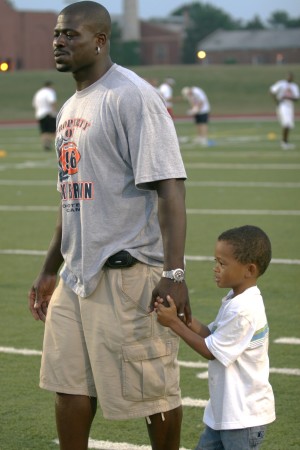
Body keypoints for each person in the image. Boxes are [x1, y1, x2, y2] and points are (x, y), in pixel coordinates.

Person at [28, 2, 191, 450]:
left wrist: (174, 273)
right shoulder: (69, 107)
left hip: (126, 272)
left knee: (153, 388)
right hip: (75, 275)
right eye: (57, 35)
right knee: (69, 385)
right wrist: (48, 269)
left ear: (100, 40)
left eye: (71, 35)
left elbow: (171, 189)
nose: (59, 42)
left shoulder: (132, 96)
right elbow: (71, 196)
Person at [155, 225, 276, 450]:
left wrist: (173, 323)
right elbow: (211, 335)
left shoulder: (244, 310)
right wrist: (184, 318)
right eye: (215, 262)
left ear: (249, 270)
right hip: (225, 414)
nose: (216, 269)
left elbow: (211, 351)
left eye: (222, 263)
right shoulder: (235, 299)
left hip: (243, 418)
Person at [270, 72, 299, 150]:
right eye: (288, 76)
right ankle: (284, 143)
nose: (289, 78)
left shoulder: (294, 86)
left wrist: (288, 98)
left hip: (290, 106)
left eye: (291, 76)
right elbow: (272, 90)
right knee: (286, 123)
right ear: (286, 77)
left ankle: (285, 142)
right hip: (283, 106)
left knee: (289, 125)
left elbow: (296, 98)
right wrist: (276, 101)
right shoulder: (281, 84)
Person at [32, 81, 57, 151]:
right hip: (48, 113)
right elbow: (52, 102)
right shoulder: (50, 92)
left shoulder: (39, 93)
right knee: (53, 130)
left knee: (44, 131)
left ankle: (45, 145)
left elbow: (34, 104)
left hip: (39, 114)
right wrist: (54, 112)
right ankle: (54, 144)